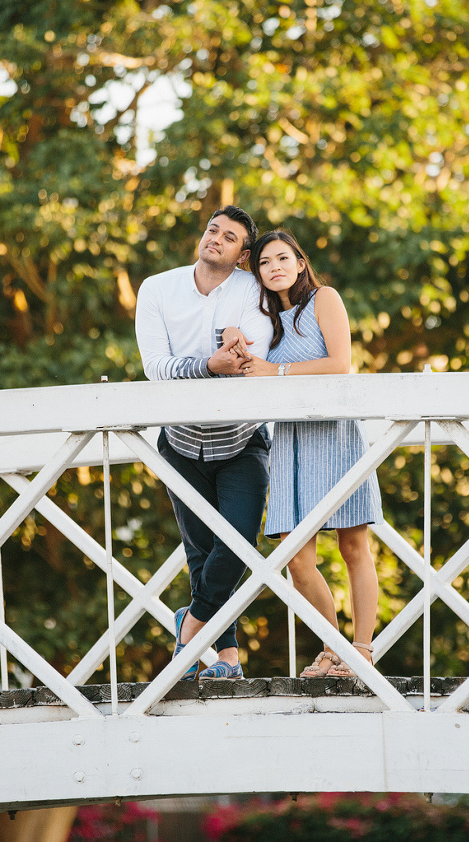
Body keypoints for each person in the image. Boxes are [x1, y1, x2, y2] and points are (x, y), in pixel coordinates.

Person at [223, 229, 383, 678]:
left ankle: (361, 650)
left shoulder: (324, 300)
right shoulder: (265, 320)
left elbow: (340, 364)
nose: (274, 268)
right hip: (291, 440)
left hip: (335, 435)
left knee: (353, 546)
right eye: (264, 263)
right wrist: (232, 331)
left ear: (299, 262)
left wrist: (278, 371)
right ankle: (334, 648)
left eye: (282, 259)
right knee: (296, 558)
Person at [134, 205, 274, 681]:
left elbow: (253, 348)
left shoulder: (254, 290)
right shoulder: (157, 288)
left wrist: (230, 347)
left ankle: (190, 628)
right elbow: (156, 366)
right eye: (213, 229)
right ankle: (229, 660)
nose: (215, 238)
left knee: (236, 544)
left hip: (241, 441)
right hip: (181, 441)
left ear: (242, 255)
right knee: (202, 554)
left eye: (229, 237)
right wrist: (209, 364)